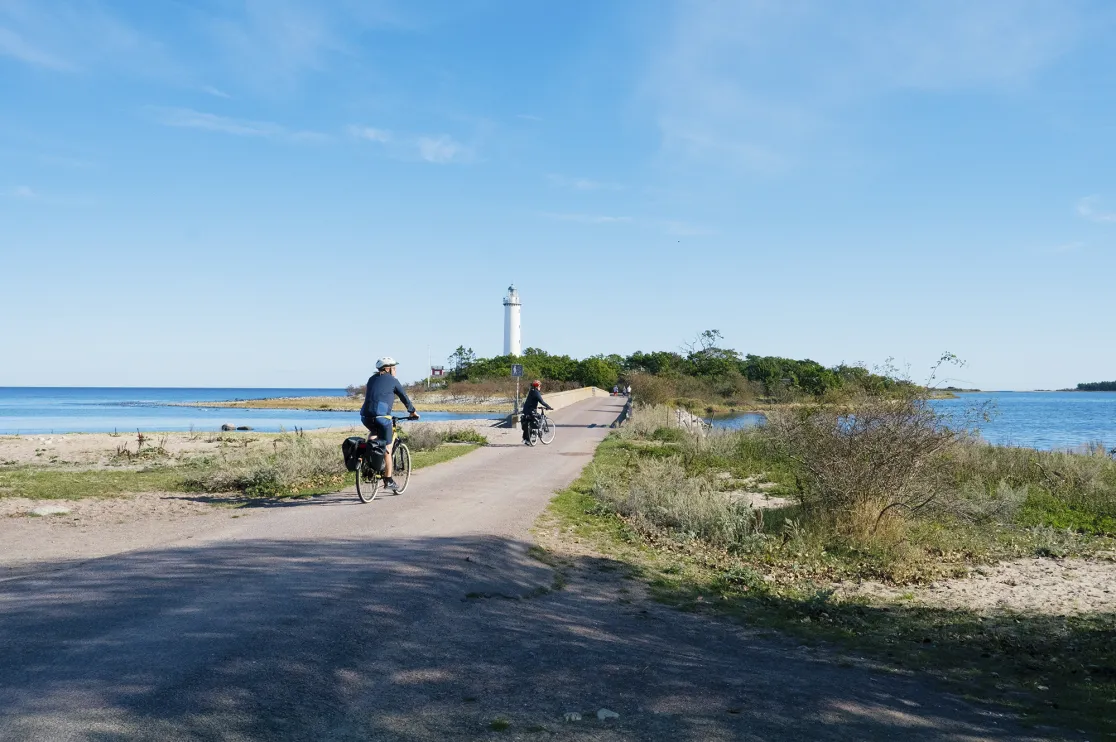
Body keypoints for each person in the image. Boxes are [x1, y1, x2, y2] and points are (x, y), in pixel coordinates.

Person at [359, 356, 419, 489]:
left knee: (374, 433)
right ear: (388, 369)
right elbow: (404, 397)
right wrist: (412, 411)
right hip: (383, 417)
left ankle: (369, 461)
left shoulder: (371, 379)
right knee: (388, 447)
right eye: (394, 368)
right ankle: (388, 480)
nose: (396, 370)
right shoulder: (393, 380)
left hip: (365, 416)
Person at [520, 379, 553, 444]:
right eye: (540, 386)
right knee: (538, 418)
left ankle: (525, 439)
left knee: (527, 421)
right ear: (537, 386)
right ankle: (534, 434)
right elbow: (542, 402)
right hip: (531, 411)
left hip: (526, 410)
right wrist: (548, 407)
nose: (540, 387)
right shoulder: (536, 392)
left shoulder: (531, 391)